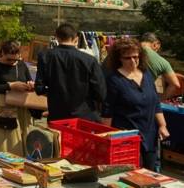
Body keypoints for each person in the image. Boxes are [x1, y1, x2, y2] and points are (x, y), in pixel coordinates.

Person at [102, 38, 169, 170]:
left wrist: (162, 125)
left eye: (136, 57)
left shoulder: (147, 74)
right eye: (128, 58)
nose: (133, 61)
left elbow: (155, 102)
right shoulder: (113, 80)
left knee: (150, 173)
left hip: (150, 134)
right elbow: (107, 111)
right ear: (119, 58)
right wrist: (106, 138)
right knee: (131, 174)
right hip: (126, 137)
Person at [35, 23, 106, 122]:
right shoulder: (89, 60)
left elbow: (39, 88)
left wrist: (54, 91)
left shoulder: (45, 56)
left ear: (57, 37)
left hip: (57, 115)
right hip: (84, 116)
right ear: (76, 38)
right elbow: (101, 93)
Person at [0, 40, 34, 155]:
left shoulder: (21, 65)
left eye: (15, 59)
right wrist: (10, 86)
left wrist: (31, 85)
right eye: (9, 59)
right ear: (1, 53)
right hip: (4, 108)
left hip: (22, 108)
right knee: (2, 143)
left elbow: (29, 80)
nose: (12, 62)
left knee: (21, 140)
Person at [140, 33, 180, 100]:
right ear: (156, 44)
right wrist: (160, 100)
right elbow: (175, 84)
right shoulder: (163, 62)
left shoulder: (127, 50)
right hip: (143, 97)